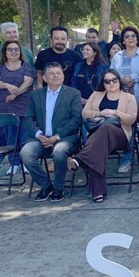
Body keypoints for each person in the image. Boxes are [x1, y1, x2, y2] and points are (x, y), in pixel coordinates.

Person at [68, 70, 138, 203]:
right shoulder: (96, 94)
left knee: (104, 130)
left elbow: (131, 119)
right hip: (98, 136)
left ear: (119, 81)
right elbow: (84, 113)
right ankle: (98, 192)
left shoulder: (129, 97)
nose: (111, 83)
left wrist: (115, 112)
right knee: (96, 149)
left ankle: (80, 159)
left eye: (114, 80)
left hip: (120, 135)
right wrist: (100, 113)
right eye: (107, 81)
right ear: (103, 83)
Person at [20, 63, 83, 202]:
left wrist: (57, 136)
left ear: (63, 76)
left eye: (58, 73)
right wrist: (38, 135)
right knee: (25, 153)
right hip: (40, 139)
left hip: (64, 138)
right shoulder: (36, 95)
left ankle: (59, 188)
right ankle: (46, 186)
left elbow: (76, 119)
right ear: (44, 78)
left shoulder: (73, 93)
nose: (55, 76)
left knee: (59, 153)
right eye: (51, 74)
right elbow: (28, 118)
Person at [0, 22, 35, 167]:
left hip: (23, 98)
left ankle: (23, 159)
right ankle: (1, 155)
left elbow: (31, 72)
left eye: (14, 32)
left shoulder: (26, 52)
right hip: (5, 98)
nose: (12, 35)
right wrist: (0, 86)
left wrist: (19, 91)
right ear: (2, 35)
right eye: (8, 33)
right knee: (4, 128)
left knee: (23, 129)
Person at [109, 26, 139, 107]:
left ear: (137, 40)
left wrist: (132, 77)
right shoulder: (117, 56)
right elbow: (111, 74)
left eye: (133, 36)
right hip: (121, 96)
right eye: (127, 36)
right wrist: (121, 79)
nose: (130, 38)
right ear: (123, 41)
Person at [71, 42, 109, 107]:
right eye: (83, 49)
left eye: (87, 50)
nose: (84, 51)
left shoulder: (102, 67)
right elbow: (73, 83)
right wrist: (78, 98)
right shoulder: (78, 66)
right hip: (79, 101)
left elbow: (105, 84)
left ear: (95, 52)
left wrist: (91, 100)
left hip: (96, 102)